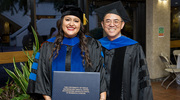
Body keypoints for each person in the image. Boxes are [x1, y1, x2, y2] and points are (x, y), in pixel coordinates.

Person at [27, 5, 106, 100]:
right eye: (67, 19)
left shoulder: (93, 45)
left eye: (76, 21)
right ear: (61, 22)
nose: (71, 24)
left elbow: (100, 75)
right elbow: (41, 77)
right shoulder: (47, 46)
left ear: (80, 25)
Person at [95, 1, 153, 100]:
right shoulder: (96, 46)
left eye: (116, 21)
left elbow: (142, 79)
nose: (112, 24)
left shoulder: (134, 47)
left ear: (122, 25)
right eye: (108, 21)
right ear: (102, 24)